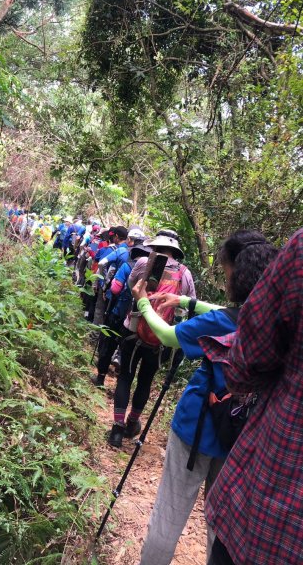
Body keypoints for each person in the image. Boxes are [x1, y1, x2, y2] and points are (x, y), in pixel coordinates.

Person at [130, 230, 278, 565]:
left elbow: (168, 336)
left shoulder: (220, 321)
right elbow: (230, 312)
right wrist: (186, 302)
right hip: (239, 436)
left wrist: (142, 300)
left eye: (227, 272)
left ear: (237, 275)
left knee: (169, 516)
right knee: (221, 523)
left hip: (195, 429)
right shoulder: (274, 325)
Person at [205, 228, 303, 565]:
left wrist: (144, 301)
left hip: (271, 494)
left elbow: (245, 366)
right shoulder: (216, 313)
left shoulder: (301, 250)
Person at [107, 230, 195, 448]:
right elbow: (190, 304)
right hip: (160, 336)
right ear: (175, 249)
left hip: (133, 329)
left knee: (126, 378)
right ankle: (132, 423)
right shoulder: (184, 273)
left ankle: (117, 431)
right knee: (145, 381)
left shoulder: (144, 262)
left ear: (154, 245)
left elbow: (131, 286)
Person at [91, 242, 152, 387]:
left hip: (119, 312)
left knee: (108, 343)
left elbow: (116, 288)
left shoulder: (127, 266)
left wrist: (108, 291)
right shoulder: (153, 275)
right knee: (128, 352)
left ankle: (100, 378)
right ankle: (121, 386)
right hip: (139, 319)